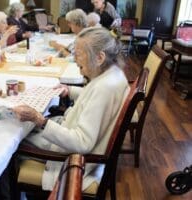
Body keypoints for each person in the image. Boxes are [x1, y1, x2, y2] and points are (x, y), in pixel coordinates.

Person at [13, 27, 129, 191]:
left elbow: (82, 143)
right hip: (71, 142)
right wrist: (70, 89)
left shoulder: (104, 88)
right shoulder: (113, 75)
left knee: (12, 143)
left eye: (79, 54)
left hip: (73, 160)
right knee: (25, 130)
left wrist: (40, 120)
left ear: (100, 57)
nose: (75, 60)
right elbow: (93, 99)